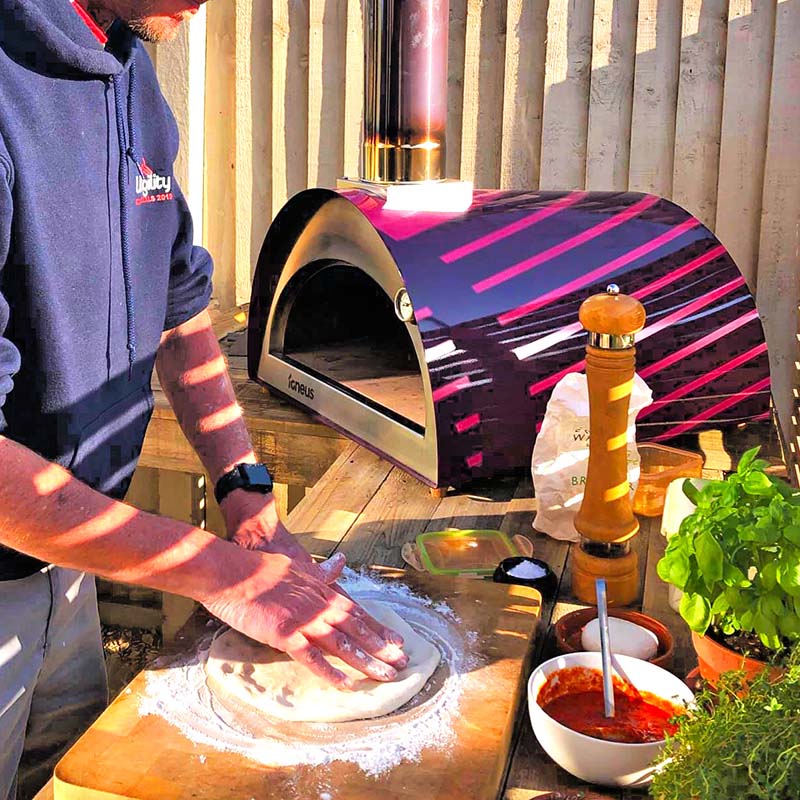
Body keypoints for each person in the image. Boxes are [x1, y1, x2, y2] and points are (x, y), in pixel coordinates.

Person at [0, 2, 407, 798]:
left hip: (74, 564)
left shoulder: (128, 66)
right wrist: (219, 574)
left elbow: (179, 310)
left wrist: (247, 497)